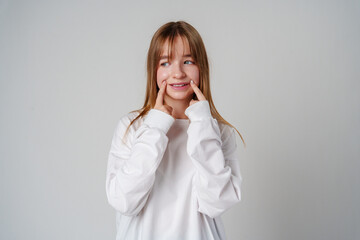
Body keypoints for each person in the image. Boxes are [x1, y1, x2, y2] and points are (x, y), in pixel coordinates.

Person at [105, 21, 245, 240]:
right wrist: (156, 126)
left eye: (188, 61)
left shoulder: (219, 132)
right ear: (154, 70)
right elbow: (124, 201)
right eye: (165, 63)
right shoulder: (131, 127)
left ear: (201, 68)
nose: (178, 73)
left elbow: (217, 202)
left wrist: (202, 124)